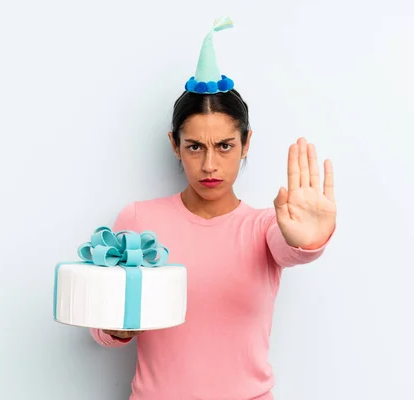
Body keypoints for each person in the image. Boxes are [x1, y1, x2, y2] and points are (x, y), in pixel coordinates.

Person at [90, 17, 336, 400]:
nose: (209, 165)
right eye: (195, 147)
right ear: (175, 144)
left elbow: (290, 248)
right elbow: (102, 323)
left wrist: (310, 241)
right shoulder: (139, 219)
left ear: (246, 142)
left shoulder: (267, 228)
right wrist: (117, 328)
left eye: (224, 146)